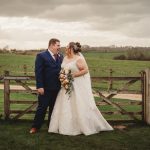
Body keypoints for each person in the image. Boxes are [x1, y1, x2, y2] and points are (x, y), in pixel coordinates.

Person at [48, 42, 113, 136]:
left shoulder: (79, 59)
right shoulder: (65, 58)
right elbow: (63, 69)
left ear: (71, 49)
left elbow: (85, 70)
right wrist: (63, 76)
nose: (65, 49)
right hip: (66, 85)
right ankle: (64, 126)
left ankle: (81, 126)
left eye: (67, 47)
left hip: (76, 85)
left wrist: (72, 75)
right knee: (65, 105)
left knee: (78, 104)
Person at [30, 38, 63, 133]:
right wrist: (40, 86)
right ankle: (35, 127)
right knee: (42, 108)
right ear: (52, 45)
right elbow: (38, 72)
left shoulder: (60, 56)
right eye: (58, 45)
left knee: (54, 108)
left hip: (57, 88)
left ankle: (51, 126)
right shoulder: (41, 56)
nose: (59, 48)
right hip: (45, 88)